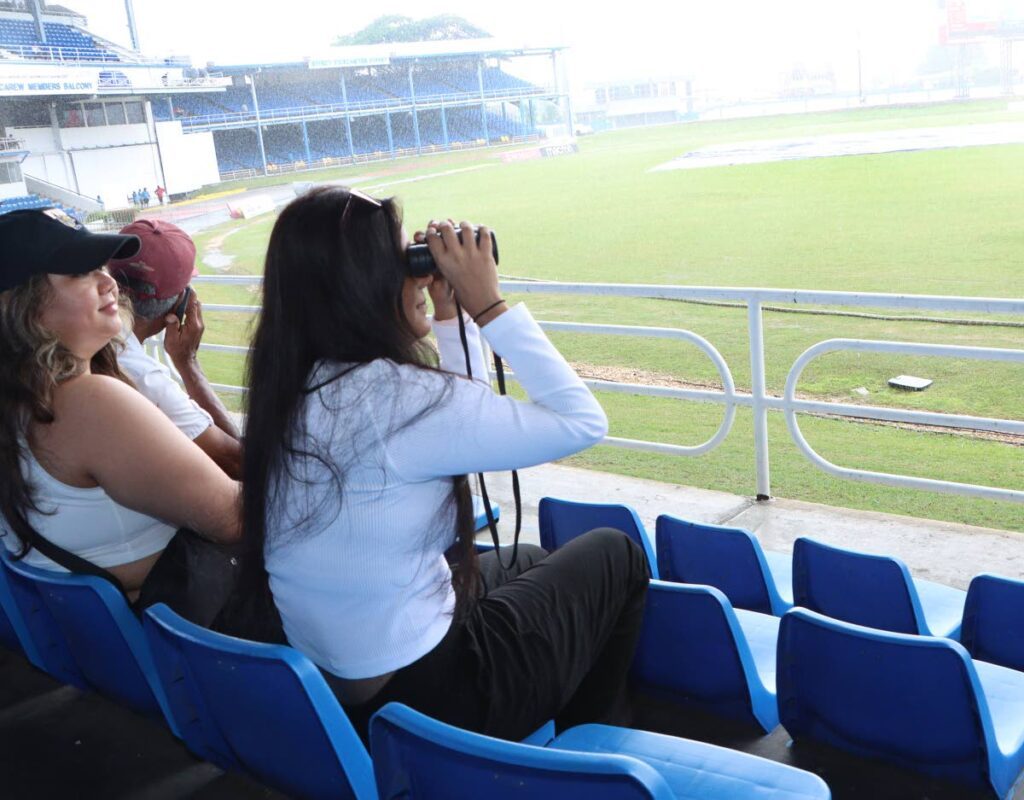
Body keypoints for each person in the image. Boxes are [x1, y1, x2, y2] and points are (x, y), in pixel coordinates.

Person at [240, 186, 649, 742]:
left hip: (339, 685)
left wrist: (452, 318)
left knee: (526, 557)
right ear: (365, 284)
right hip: (439, 695)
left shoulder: (293, 386)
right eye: (403, 260)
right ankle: (587, 745)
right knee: (616, 554)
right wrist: (490, 307)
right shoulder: (397, 396)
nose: (418, 273)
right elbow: (582, 421)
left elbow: (462, 427)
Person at [0, 208, 240, 604]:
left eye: (101, 267)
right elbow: (235, 518)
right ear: (21, 306)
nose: (108, 282)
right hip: (180, 636)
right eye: (80, 272)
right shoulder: (87, 402)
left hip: (92, 635)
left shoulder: (27, 400)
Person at [107, 219, 241, 479]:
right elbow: (237, 463)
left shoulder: (91, 338)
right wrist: (187, 363)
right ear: (182, 301)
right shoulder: (144, 377)